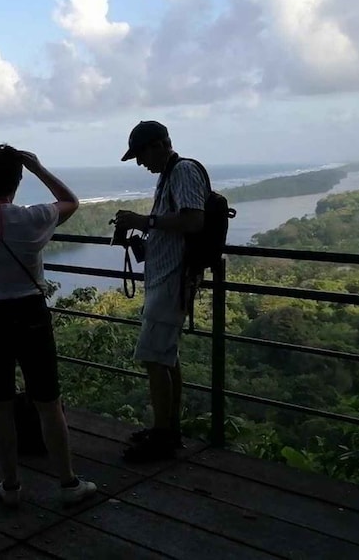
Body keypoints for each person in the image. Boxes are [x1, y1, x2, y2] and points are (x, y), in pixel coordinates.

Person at [0, 144, 97, 507]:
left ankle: (10, 486)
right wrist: (38, 167)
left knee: (1, 404)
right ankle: (68, 483)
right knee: (48, 403)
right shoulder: (34, 217)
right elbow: (70, 201)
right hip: (30, 315)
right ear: (18, 181)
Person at [113, 121, 208, 462]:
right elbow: (175, 225)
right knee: (167, 358)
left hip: (173, 280)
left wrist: (144, 221)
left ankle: (163, 436)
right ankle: (168, 429)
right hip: (167, 276)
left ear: (161, 144)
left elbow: (194, 220)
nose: (141, 162)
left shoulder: (182, 172)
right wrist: (146, 234)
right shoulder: (168, 176)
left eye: (141, 154)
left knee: (153, 358)